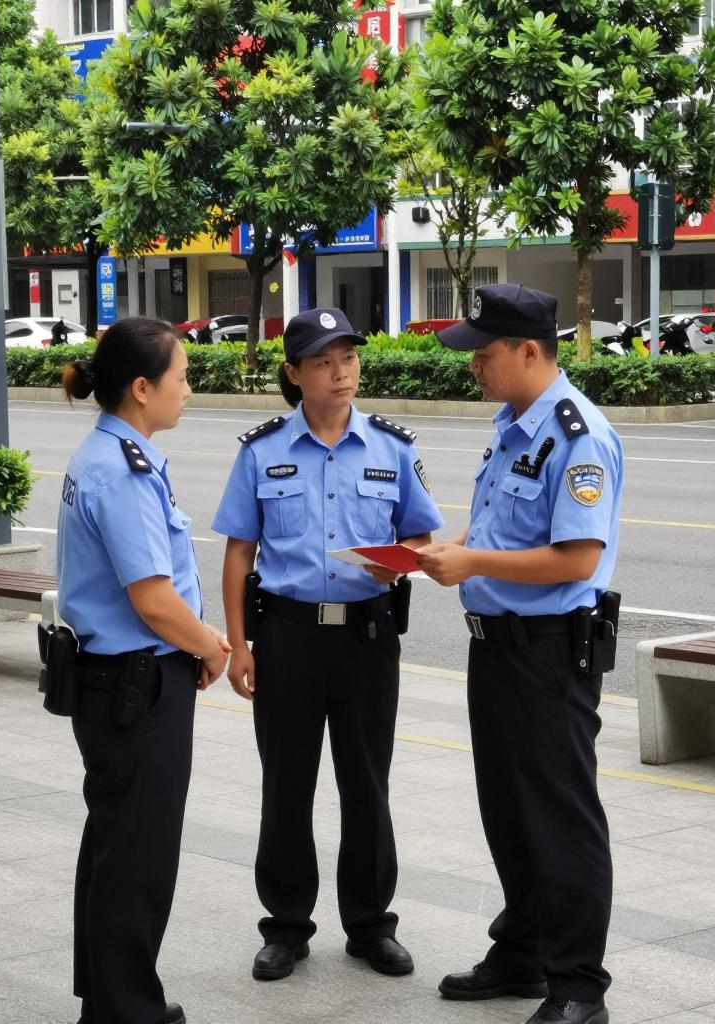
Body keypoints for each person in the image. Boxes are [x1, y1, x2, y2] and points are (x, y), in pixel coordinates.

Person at [211, 307, 443, 983]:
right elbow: (238, 551)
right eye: (322, 361)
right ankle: (286, 926)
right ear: (295, 373)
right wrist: (238, 642)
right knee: (287, 786)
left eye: (348, 358)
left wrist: (399, 559)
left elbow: (426, 539)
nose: (340, 372)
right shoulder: (262, 451)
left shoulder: (394, 448)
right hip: (285, 637)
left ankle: (371, 925)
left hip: (367, 639)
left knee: (367, 786)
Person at [416, 284, 623, 1024]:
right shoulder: (513, 425)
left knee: (561, 819)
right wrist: (455, 551)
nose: (473, 364)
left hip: (548, 654)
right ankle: (525, 950)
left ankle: (577, 986)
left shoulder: (577, 436)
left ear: (529, 352)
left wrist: (470, 565)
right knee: (508, 811)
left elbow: (574, 559)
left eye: (485, 352)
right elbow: (503, 533)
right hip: (497, 650)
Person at [55, 316, 232, 1024]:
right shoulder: (120, 473)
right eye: (181, 378)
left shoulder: (111, 455)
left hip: (118, 683)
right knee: (138, 859)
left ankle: (106, 1002)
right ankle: (128, 1011)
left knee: (114, 846)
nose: (188, 390)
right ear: (140, 388)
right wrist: (211, 645)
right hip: (136, 686)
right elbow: (154, 601)